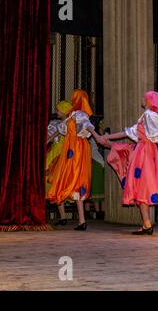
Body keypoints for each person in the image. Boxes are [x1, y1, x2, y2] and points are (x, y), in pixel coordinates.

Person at [103, 91, 158, 235]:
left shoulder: (150, 115)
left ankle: (147, 224)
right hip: (142, 150)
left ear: (150, 101)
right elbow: (129, 132)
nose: (143, 99)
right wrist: (107, 138)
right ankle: (146, 224)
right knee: (140, 185)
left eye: (145, 98)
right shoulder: (145, 116)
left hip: (144, 151)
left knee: (142, 184)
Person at [47, 89, 103, 231]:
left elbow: (87, 126)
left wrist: (97, 136)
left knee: (76, 179)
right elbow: (60, 130)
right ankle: (82, 221)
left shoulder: (80, 114)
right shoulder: (71, 116)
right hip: (71, 149)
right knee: (73, 181)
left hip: (77, 149)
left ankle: (81, 220)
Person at [46, 100, 75, 226]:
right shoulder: (57, 124)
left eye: (58, 110)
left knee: (62, 182)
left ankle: (63, 216)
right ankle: (62, 216)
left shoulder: (70, 123)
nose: (56, 112)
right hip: (55, 154)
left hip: (64, 155)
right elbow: (52, 136)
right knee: (53, 183)